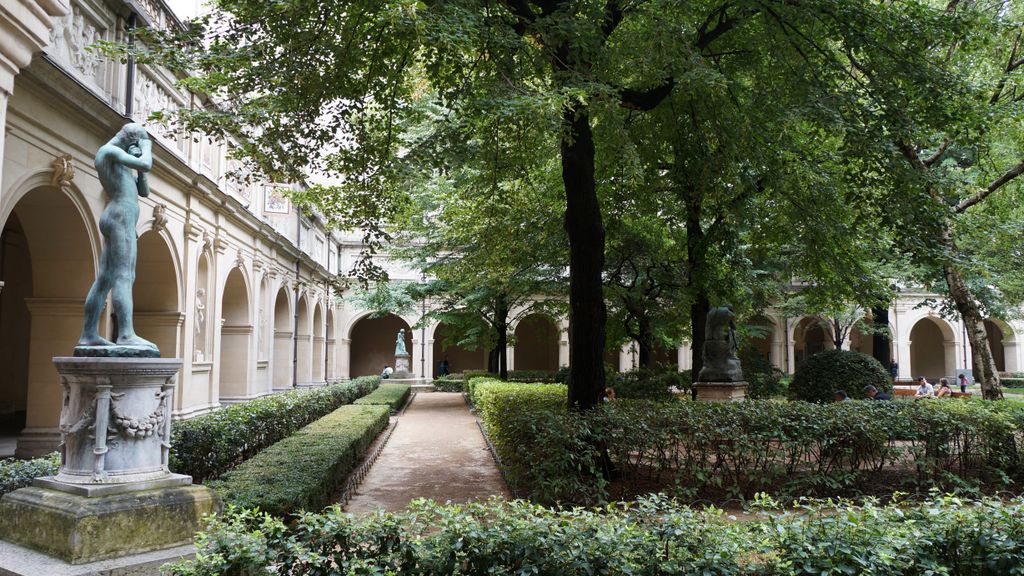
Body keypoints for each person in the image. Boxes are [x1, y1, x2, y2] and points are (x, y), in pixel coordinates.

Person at [77, 123, 158, 353]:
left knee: (106, 278)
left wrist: (140, 168)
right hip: (119, 215)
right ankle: (126, 334)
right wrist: (146, 146)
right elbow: (147, 163)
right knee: (124, 275)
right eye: (138, 142)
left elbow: (144, 191)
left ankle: (89, 334)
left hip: (123, 218)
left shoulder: (121, 161)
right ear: (132, 140)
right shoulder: (108, 151)